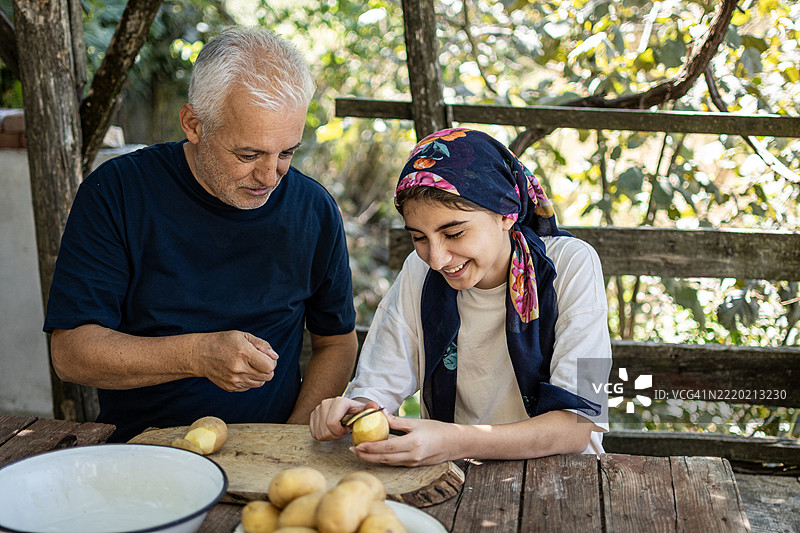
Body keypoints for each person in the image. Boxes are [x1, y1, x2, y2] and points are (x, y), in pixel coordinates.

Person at [44, 26, 358, 442]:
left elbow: (336, 343)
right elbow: (70, 354)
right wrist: (197, 354)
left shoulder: (313, 209)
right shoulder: (118, 192)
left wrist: (289, 443)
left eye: (286, 153)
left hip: (270, 453)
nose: (269, 176)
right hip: (142, 450)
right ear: (194, 124)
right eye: (248, 155)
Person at [310, 128, 611, 466]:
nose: (437, 259)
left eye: (454, 233)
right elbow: (378, 383)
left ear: (505, 214)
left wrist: (455, 441)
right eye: (419, 238)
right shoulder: (419, 271)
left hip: (564, 475)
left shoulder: (574, 265)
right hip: (455, 474)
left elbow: (580, 424)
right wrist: (355, 409)